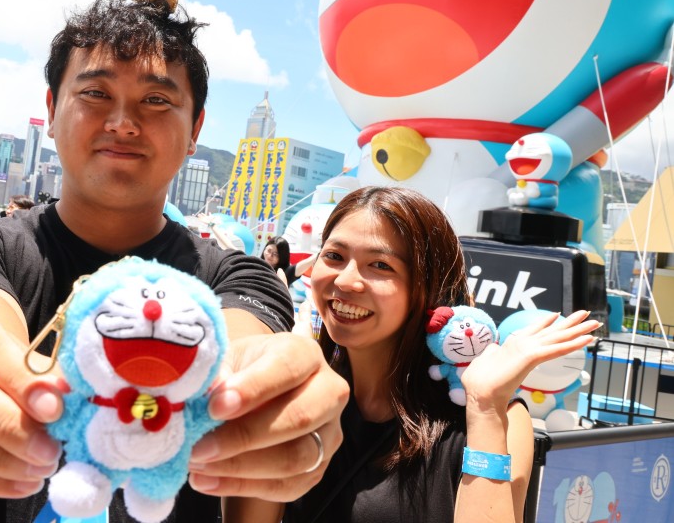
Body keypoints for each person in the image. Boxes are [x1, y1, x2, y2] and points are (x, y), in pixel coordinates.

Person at [0, 0, 348, 523]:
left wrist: (268, 399)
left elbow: (243, 344)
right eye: (96, 94)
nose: (124, 122)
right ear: (53, 109)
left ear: (196, 128)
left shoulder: (238, 273)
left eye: (156, 100)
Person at [236, 186, 600, 522]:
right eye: (334, 256)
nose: (346, 281)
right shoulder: (302, 396)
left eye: (380, 265)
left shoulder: (491, 417)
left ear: (429, 288)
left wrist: (486, 409)